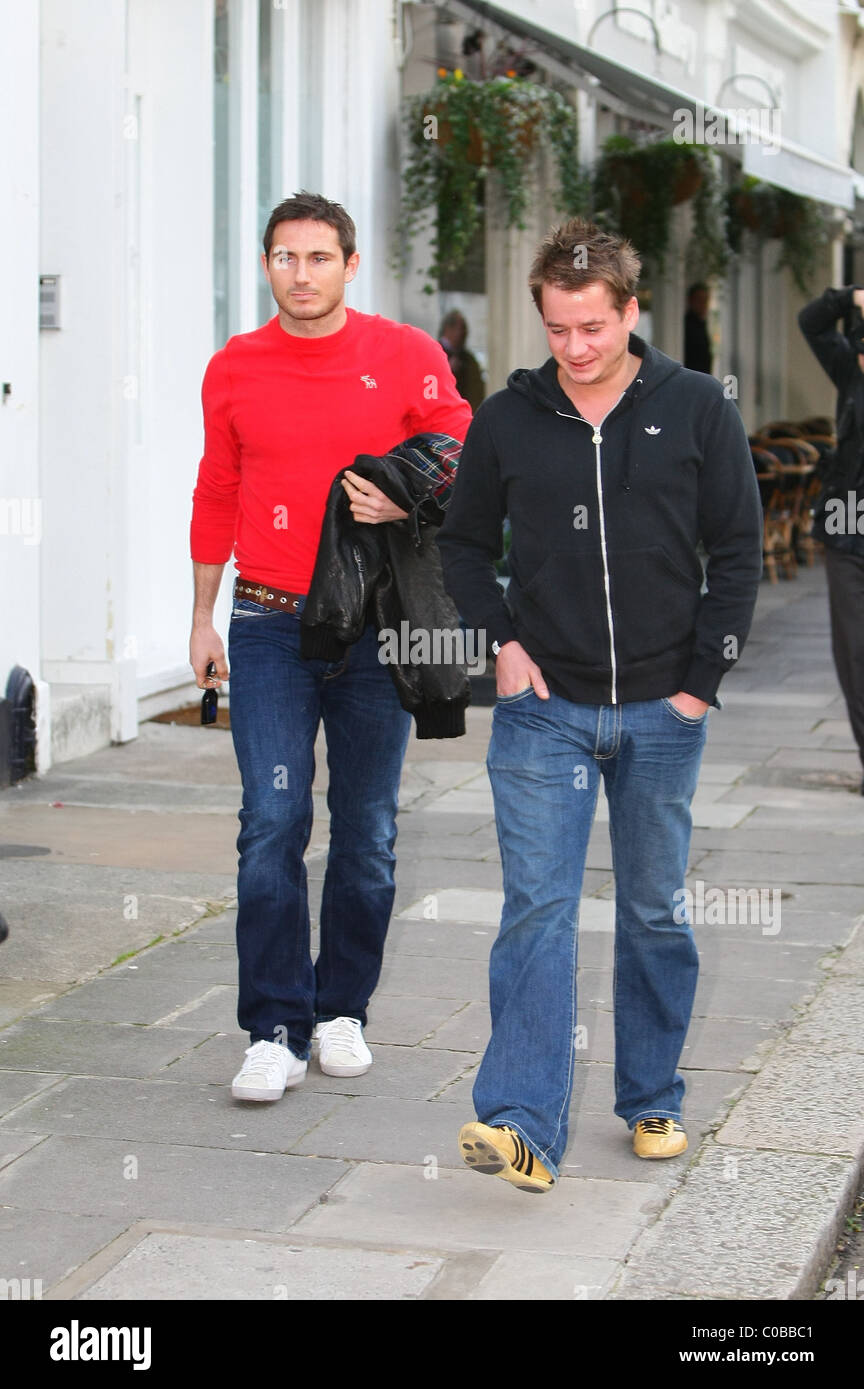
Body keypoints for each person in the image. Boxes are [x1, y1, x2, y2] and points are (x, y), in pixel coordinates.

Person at [437, 218, 763, 1191]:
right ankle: (522, 1124)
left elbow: (740, 553)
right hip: (544, 709)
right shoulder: (509, 417)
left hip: (666, 711)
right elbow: (461, 543)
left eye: (592, 327)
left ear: (631, 310)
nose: (574, 349)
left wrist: (702, 685)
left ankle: (652, 1091)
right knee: (537, 909)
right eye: (556, 330)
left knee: (656, 909)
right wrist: (500, 639)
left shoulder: (698, 408)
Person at [189, 191, 471, 1102]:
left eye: (318, 258)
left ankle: (341, 1009)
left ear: (351, 265)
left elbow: (462, 447)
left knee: (369, 832)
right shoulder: (234, 367)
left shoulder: (406, 355)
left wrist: (408, 499)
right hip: (269, 622)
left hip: (378, 625)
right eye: (284, 257)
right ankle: (273, 1026)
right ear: (266, 265)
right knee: (271, 822)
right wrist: (202, 617)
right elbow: (217, 490)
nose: (300, 274)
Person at [798, 286, 864, 794]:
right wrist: (850, 296)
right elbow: (811, 322)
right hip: (848, 527)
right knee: (853, 650)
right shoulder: (848, 371)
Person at [438, 309, 486, 412]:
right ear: (448, 329)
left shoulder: (469, 359)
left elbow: (477, 391)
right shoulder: (435, 354)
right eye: (461, 329)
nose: (464, 334)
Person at [684, 282, 712, 374]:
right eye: (699, 300)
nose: (703, 305)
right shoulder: (687, 326)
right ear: (691, 301)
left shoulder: (701, 324)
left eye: (705, 301)